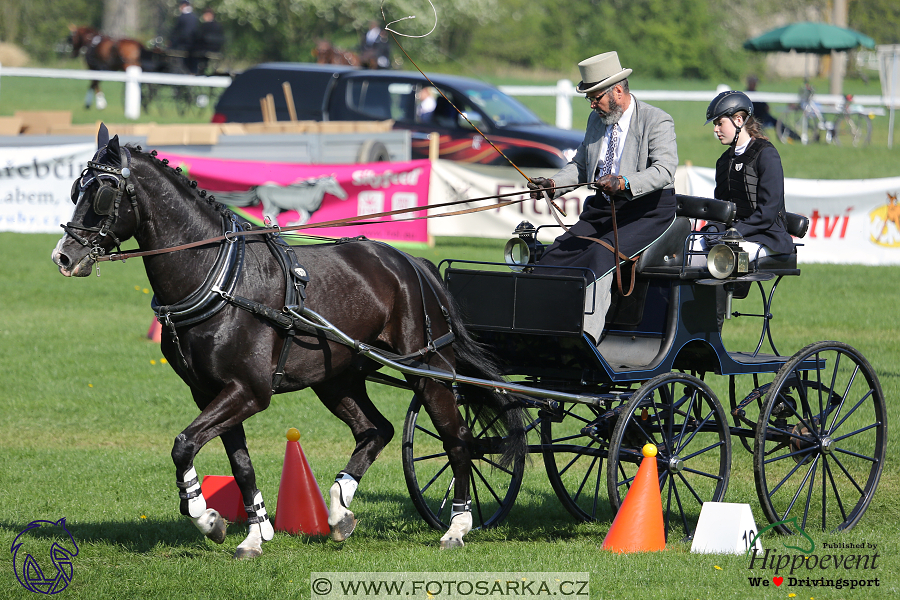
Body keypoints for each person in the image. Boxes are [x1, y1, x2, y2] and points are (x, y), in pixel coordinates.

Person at [527, 51, 678, 342]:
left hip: (646, 212)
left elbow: (664, 170)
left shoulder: (656, 120)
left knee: (599, 257)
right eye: (590, 99)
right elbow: (581, 166)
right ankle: (540, 331)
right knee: (553, 257)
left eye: (596, 97)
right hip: (602, 210)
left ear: (618, 91)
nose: (593, 105)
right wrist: (552, 185)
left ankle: (584, 340)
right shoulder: (596, 122)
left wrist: (623, 182)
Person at [705, 90, 794, 260]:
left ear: (738, 120)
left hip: (767, 236)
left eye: (720, 123)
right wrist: (713, 229)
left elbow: (767, 212)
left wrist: (736, 231)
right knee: (690, 252)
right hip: (732, 236)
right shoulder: (723, 161)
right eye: (714, 124)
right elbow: (721, 209)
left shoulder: (766, 154)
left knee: (724, 257)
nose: (716, 130)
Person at [170, 0, 200, 73]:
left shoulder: (182, 17)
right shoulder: (195, 17)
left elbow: (177, 31)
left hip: (183, 43)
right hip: (193, 44)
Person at [194, 8, 225, 75]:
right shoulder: (218, 26)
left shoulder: (205, 26)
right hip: (216, 49)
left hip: (205, 49)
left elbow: (199, 38)